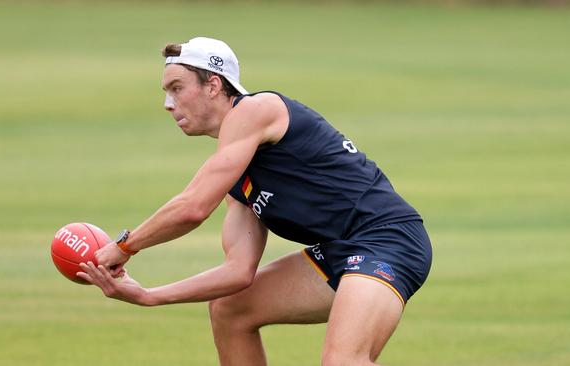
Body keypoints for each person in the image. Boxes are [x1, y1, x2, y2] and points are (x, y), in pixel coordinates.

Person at [77, 36, 432, 366]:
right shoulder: (240, 185)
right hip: (340, 251)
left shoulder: (257, 109)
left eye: (177, 88)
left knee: (341, 361)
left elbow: (192, 208)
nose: (168, 104)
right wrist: (150, 295)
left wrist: (125, 246)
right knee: (231, 309)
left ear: (213, 85)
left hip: (389, 242)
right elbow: (237, 272)